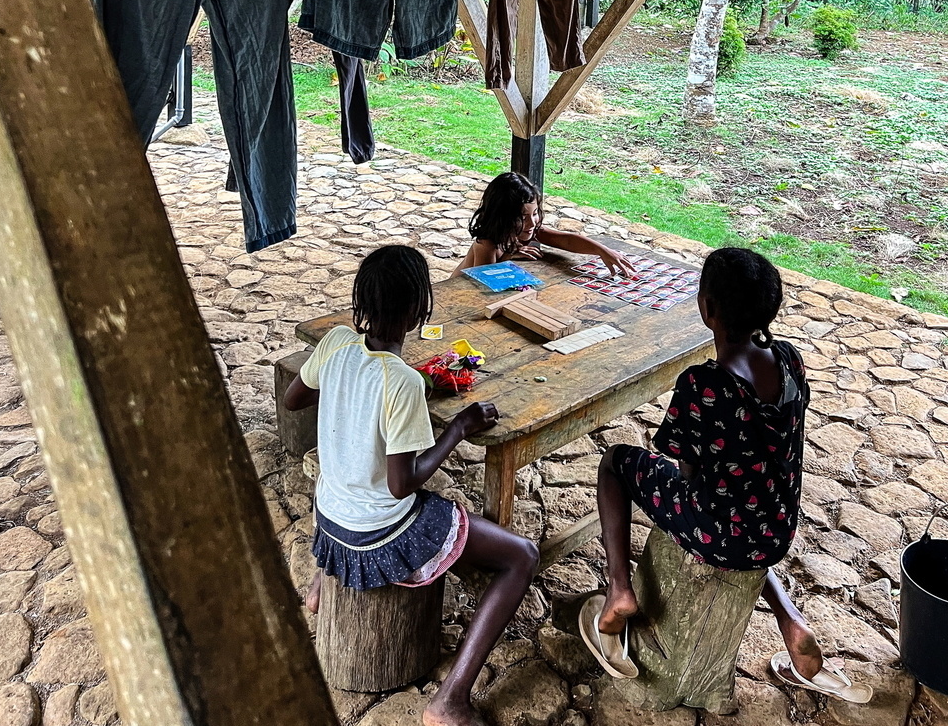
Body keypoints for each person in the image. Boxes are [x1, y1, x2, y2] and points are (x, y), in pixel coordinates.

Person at [582, 246, 871, 704]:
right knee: (744, 520)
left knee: (615, 463)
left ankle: (619, 589)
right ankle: (790, 619)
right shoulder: (789, 360)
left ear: (706, 308)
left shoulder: (702, 385)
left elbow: (688, 471)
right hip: (775, 528)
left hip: (718, 533)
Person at [284, 244, 539, 726]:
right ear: (422, 310)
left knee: (367, 493)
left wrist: (349, 399)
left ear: (362, 303)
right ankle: (450, 700)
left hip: (331, 515)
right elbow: (403, 485)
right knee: (522, 555)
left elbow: (297, 398)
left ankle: (324, 579)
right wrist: (458, 429)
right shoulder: (401, 382)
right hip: (376, 532)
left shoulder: (337, 342)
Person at [457, 171, 636, 277]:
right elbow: (482, 282)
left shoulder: (526, 229)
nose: (532, 222)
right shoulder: (487, 244)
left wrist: (602, 251)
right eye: (522, 217)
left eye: (534, 213)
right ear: (502, 217)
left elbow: (566, 241)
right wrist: (508, 258)